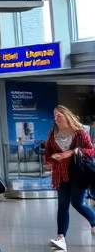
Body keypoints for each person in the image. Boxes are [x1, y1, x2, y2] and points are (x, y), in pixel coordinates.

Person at [44, 105, 95, 250]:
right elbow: (47, 153)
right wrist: (51, 160)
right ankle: (61, 238)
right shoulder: (53, 133)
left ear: (67, 116)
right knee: (62, 206)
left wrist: (71, 152)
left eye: (59, 114)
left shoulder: (79, 133)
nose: (56, 117)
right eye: (55, 115)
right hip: (60, 173)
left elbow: (91, 151)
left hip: (79, 172)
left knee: (77, 203)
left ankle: (93, 222)